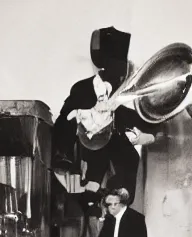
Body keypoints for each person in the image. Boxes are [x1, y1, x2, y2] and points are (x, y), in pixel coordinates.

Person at [52, 27, 155, 200]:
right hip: (88, 153)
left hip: (117, 153)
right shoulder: (82, 89)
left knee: (128, 163)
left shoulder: (126, 98)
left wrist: (147, 136)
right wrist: (65, 155)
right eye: (117, 66)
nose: (120, 74)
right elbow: (63, 123)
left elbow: (146, 125)